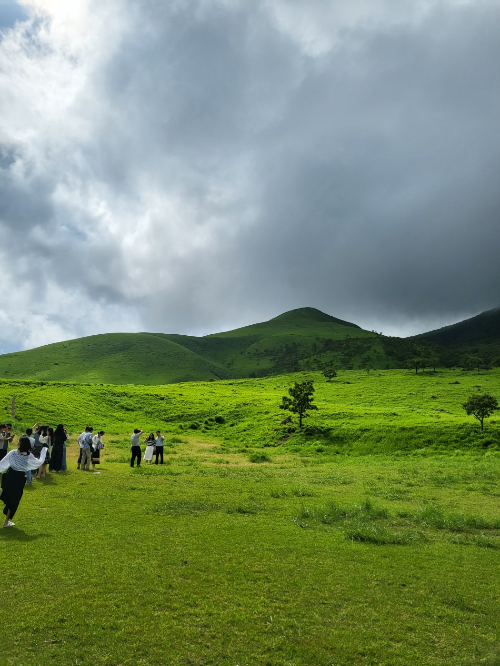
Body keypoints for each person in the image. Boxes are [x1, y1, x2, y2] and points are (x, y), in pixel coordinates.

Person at [0, 435, 47, 527]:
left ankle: (1, 491)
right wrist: (44, 451)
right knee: (14, 500)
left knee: (6, 494)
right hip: (19, 478)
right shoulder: (29, 456)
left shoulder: (13, 452)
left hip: (9, 475)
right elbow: (38, 462)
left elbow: (2, 463)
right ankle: (6, 522)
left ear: (19, 444)